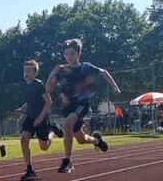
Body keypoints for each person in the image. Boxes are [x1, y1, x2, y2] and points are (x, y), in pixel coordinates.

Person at [45, 38, 120, 173]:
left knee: (67, 123)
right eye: (66, 54)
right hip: (68, 107)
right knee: (81, 139)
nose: (69, 56)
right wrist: (52, 74)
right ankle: (97, 141)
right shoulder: (61, 70)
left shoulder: (87, 67)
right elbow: (48, 88)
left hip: (82, 104)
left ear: (79, 53)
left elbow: (103, 72)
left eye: (72, 53)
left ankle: (68, 160)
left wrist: (114, 86)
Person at [14, 59, 58, 181]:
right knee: (24, 140)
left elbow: (49, 102)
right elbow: (30, 102)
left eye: (29, 70)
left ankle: (53, 130)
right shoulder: (27, 86)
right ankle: (30, 170)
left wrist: (40, 117)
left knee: (44, 147)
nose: (26, 73)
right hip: (30, 117)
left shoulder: (38, 85)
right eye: (24, 70)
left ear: (35, 73)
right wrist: (21, 109)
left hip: (41, 118)